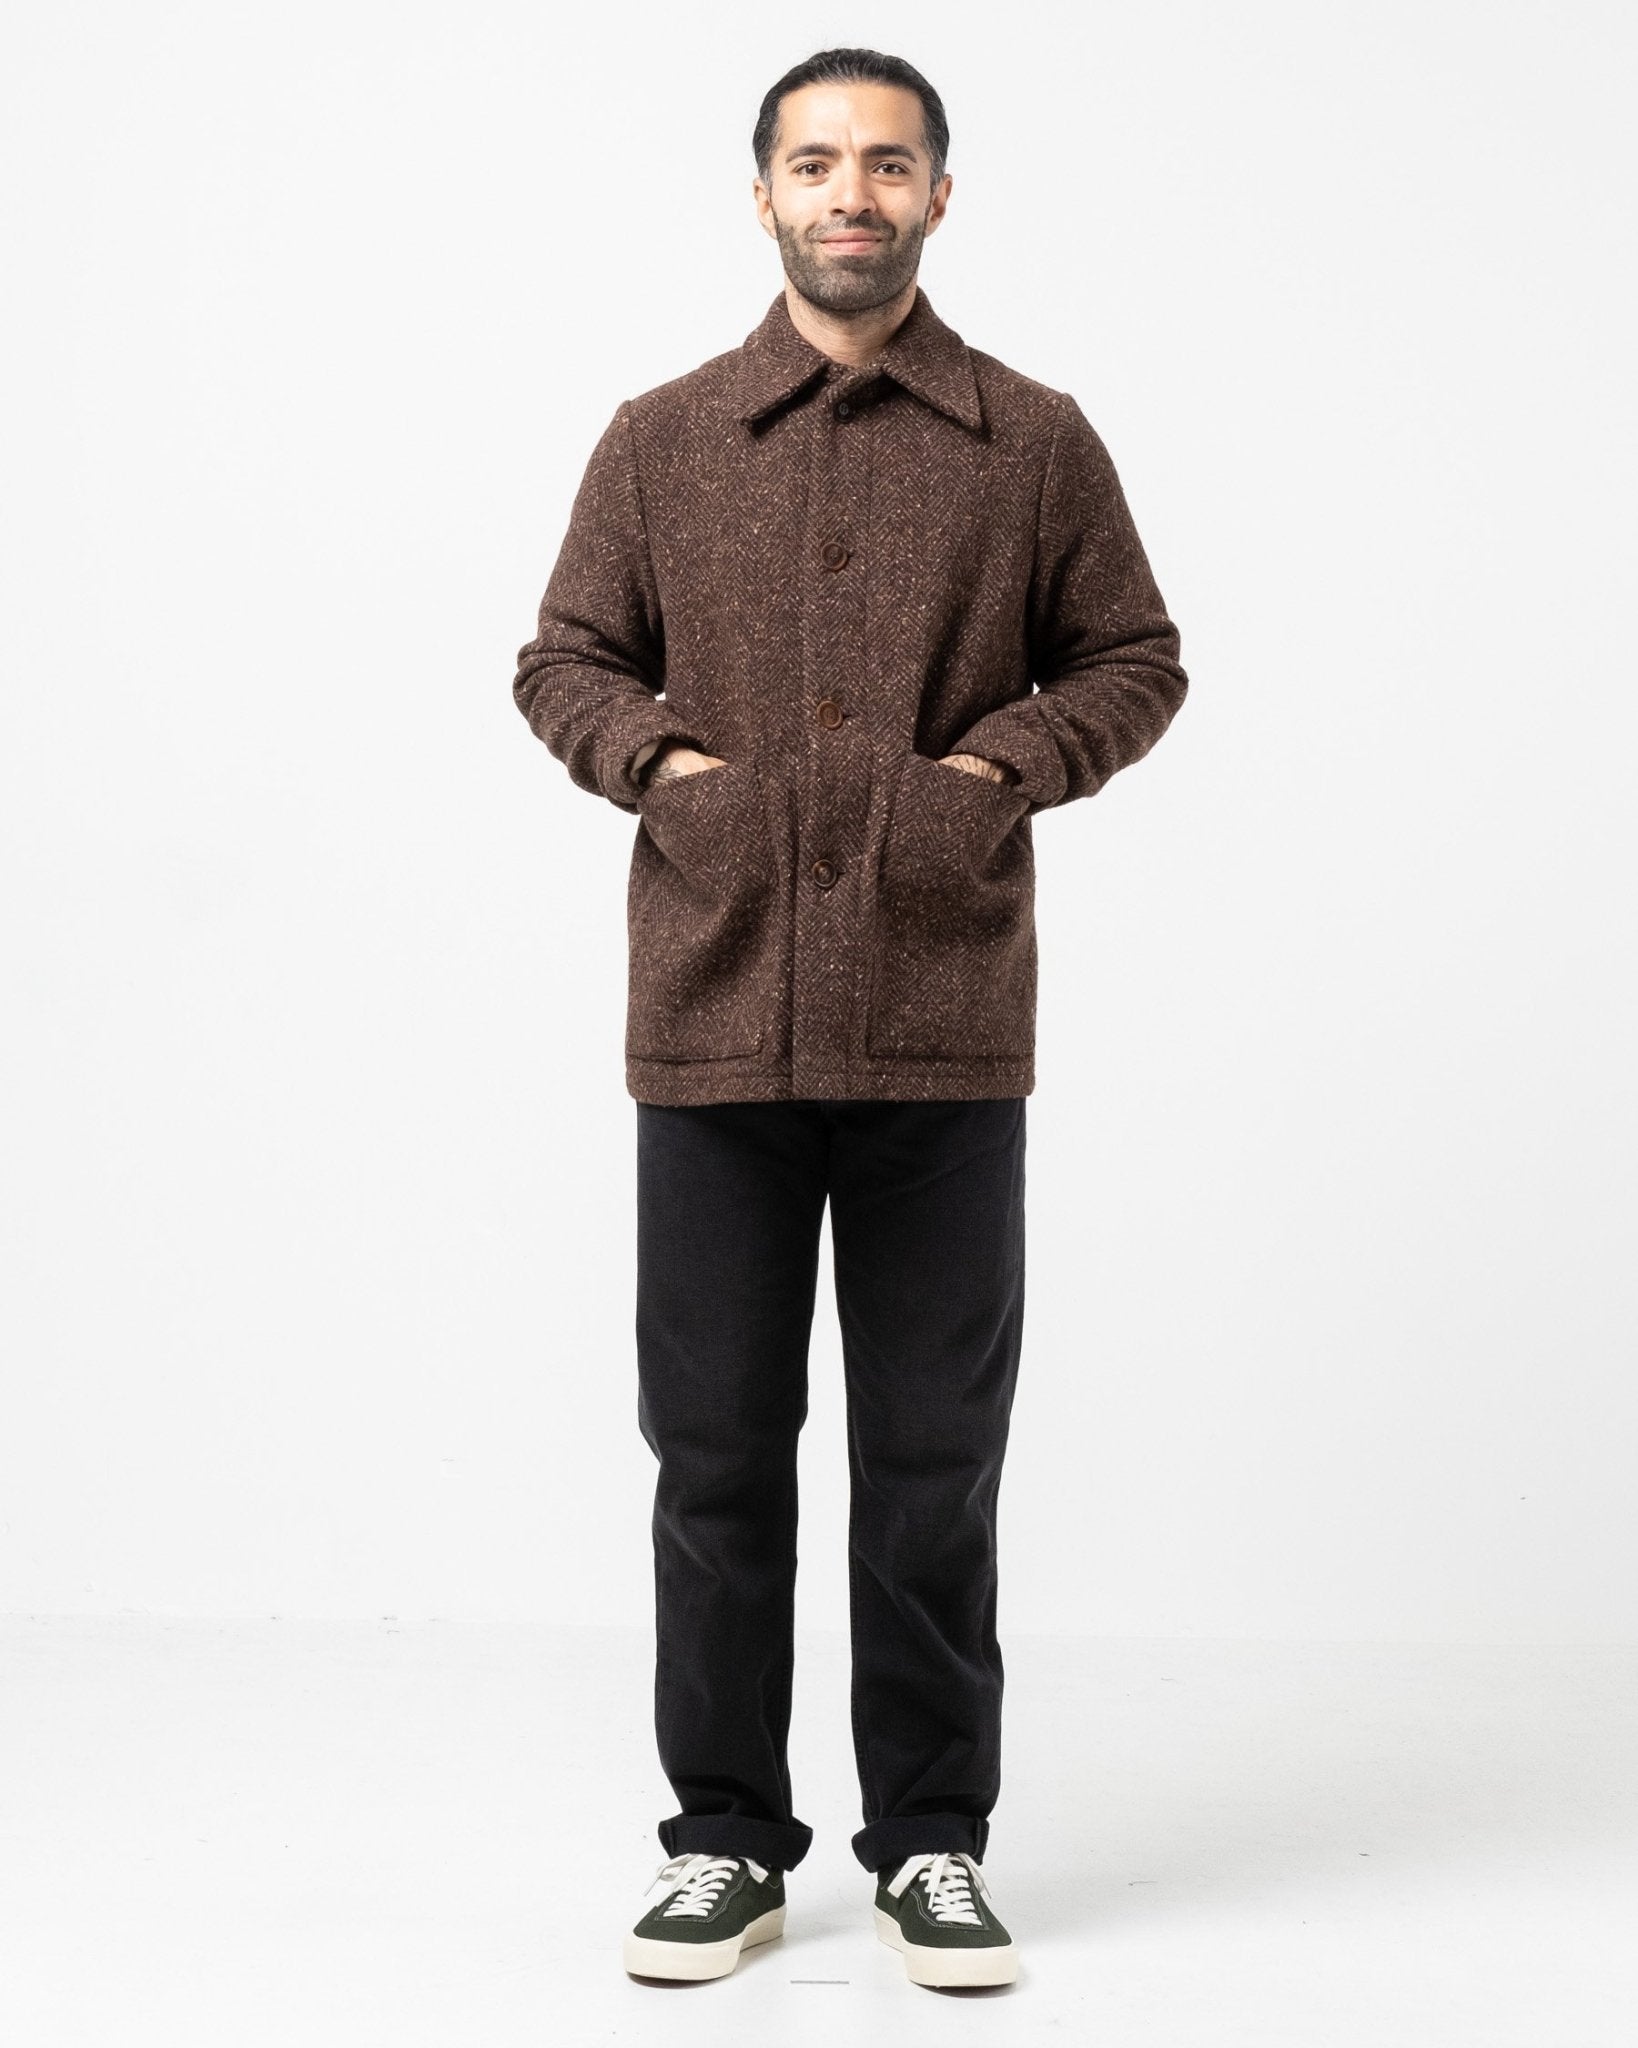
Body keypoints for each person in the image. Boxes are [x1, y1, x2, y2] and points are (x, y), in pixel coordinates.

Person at [511, 45, 1188, 1991]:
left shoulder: (1030, 440)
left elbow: (1134, 658)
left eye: (887, 165)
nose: (851, 195)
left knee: (931, 1461)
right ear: (764, 197)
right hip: (715, 1013)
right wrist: (670, 773)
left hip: (941, 1022)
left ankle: (933, 1844)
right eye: (815, 164)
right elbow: (563, 660)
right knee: (715, 1456)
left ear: (938, 198)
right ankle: (725, 1839)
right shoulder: (663, 439)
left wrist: (993, 775)